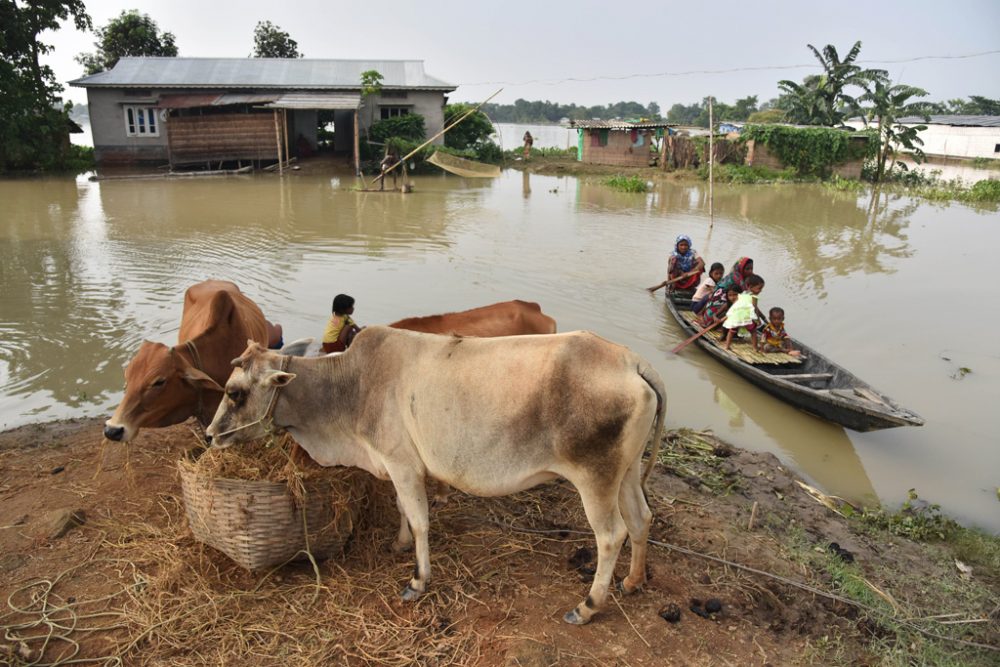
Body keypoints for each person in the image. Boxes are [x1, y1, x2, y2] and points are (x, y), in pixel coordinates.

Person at [721, 274, 765, 351]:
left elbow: (736, 305)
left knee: (731, 331)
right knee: (753, 332)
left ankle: (727, 346)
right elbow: (754, 309)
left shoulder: (743, 293)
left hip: (737, 316)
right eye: (759, 288)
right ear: (750, 287)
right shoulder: (754, 297)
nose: (761, 290)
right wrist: (757, 319)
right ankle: (755, 348)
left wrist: (730, 315)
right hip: (746, 317)